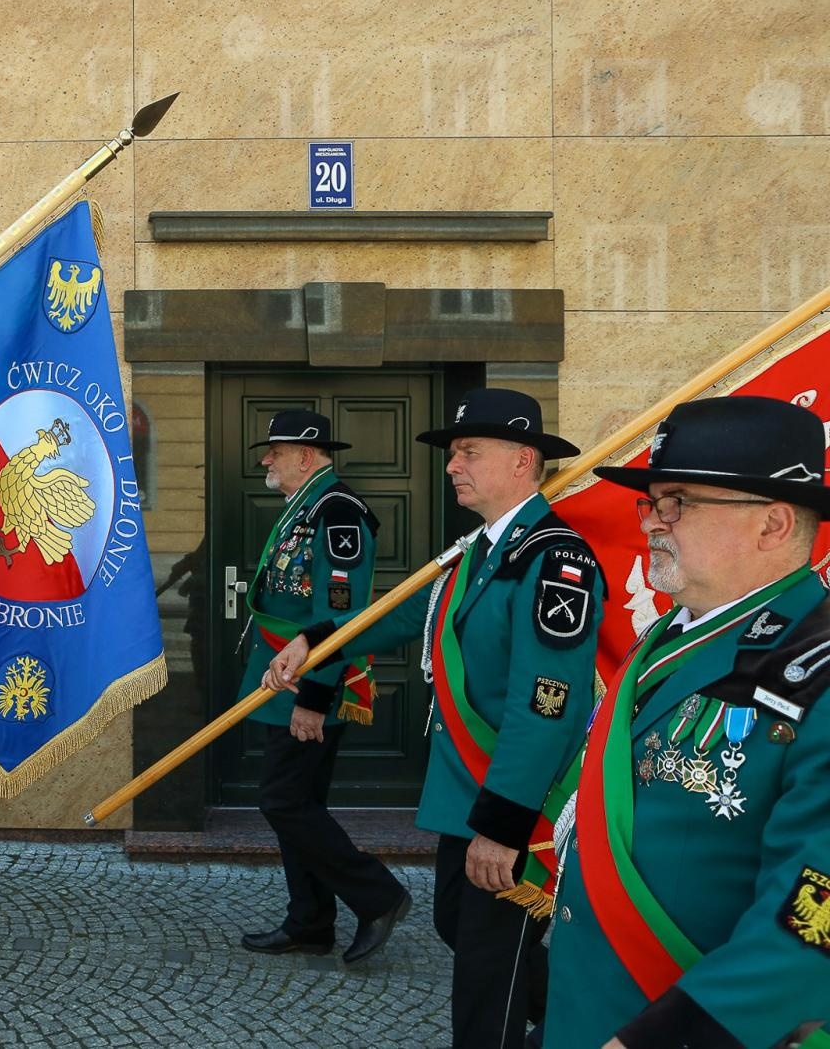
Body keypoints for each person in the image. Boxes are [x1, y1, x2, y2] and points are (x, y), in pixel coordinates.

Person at [266, 388, 604, 1049]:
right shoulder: (479, 549)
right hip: (464, 793)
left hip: (512, 797)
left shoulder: (555, 559)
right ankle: (588, 1017)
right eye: (453, 454)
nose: (452, 466)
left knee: (485, 962)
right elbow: (403, 614)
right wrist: (318, 637)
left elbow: (547, 705)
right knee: (456, 919)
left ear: (523, 461)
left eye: (468, 452)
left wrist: (503, 827)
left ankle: (573, 1022)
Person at [545, 396, 830, 1049]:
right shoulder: (672, 637)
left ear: (773, 525)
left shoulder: (819, 666)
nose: (650, 522)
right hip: (592, 1004)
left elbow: (811, 920)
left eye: (677, 503)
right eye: (651, 502)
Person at [235, 409, 410, 964]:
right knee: (297, 804)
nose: (266, 459)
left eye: (275, 451)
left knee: (285, 802)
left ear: (306, 456)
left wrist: (313, 700)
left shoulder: (336, 513)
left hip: (307, 685)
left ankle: (379, 896)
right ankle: (309, 921)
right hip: (281, 677)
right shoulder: (305, 506)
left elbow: (341, 618)